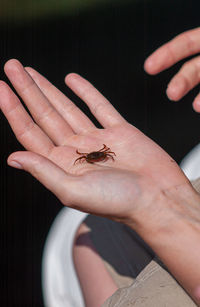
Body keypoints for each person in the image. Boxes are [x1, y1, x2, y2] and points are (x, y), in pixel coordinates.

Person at [0, 27, 200, 306]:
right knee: (96, 234)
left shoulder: (98, 155)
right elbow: (96, 154)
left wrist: (160, 208)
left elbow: (99, 154)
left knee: (86, 234)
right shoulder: (96, 155)